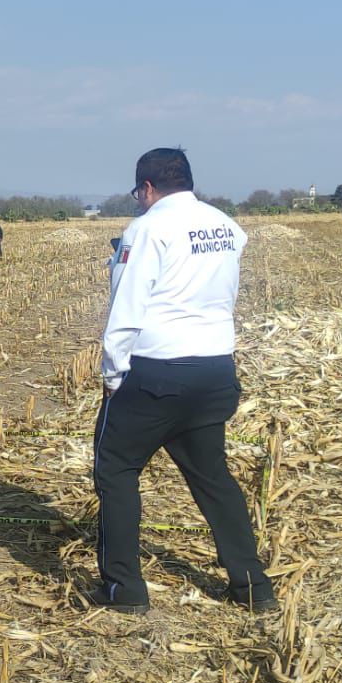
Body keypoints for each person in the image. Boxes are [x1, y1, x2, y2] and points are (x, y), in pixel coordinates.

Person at [91, 148, 274, 615]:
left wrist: (113, 372)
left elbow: (127, 304)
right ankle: (253, 586)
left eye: (138, 193)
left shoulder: (146, 229)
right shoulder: (225, 226)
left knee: (116, 469)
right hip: (214, 369)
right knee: (213, 477)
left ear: (148, 187)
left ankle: (124, 589)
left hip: (156, 371)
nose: (138, 200)